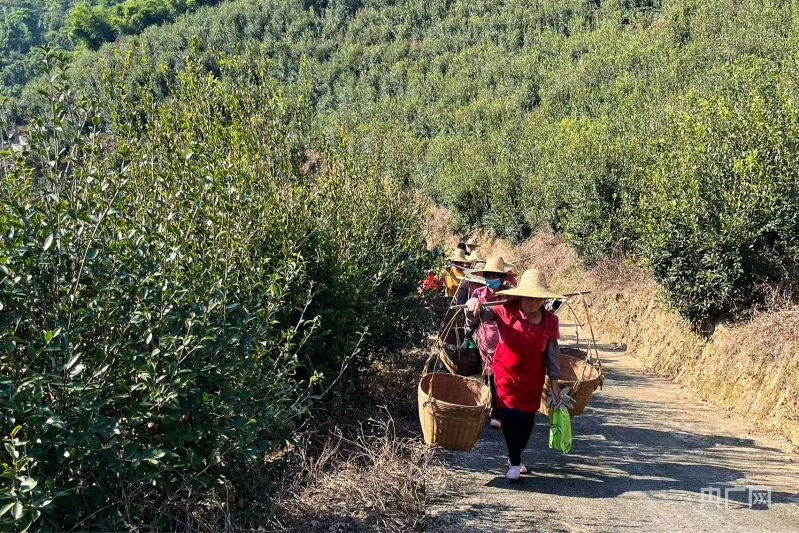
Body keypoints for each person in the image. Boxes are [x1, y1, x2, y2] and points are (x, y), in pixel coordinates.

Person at [465, 269, 562, 482]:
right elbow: (483, 314)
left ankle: (515, 458)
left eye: (539, 299)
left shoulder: (550, 321)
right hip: (505, 372)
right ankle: (515, 461)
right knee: (509, 415)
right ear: (520, 295)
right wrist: (474, 306)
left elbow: (553, 352)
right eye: (529, 298)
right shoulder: (505, 310)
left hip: (533, 377)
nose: (533, 303)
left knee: (527, 422)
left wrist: (554, 381)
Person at [462, 257, 516, 430]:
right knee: (490, 375)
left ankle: (499, 411)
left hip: (506, 341)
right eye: (488, 275)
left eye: (494, 275)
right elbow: (472, 318)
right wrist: (467, 336)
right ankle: (493, 408)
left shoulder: (511, 295)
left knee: (504, 377)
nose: (491, 278)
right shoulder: (478, 294)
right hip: (485, 341)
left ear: (501, 277)